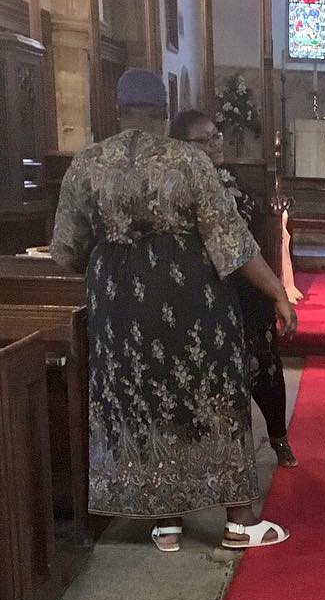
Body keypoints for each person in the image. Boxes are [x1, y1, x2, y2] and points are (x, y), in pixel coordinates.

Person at [51, 68, 296, 553]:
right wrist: (277, 293)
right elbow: (231, 243)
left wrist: (113, 261)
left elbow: (66, 249)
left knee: (144, 399)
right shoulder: (188, 162)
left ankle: (165, 522)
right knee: (215, 396)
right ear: (164, 111)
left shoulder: (86, 164)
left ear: (116, 110)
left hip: (118, 304)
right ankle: (239, 521)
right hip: (187, 299)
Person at [172, 108, 300, 469]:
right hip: (206, 291)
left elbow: (247, 235)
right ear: (181, 146)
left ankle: (278, 438)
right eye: (205, 140)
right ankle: (218, 447)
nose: (215, 144)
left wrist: (274, 290)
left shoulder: (231, 178)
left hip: (247, 287)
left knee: (265, 366)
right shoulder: (177, 185)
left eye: (216, 136)